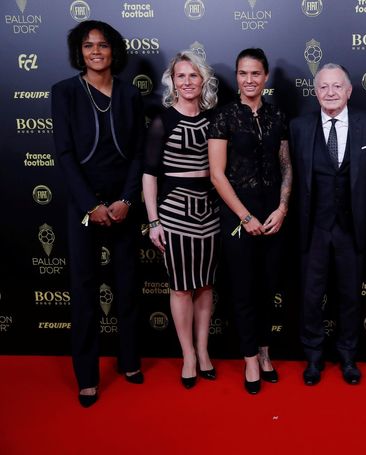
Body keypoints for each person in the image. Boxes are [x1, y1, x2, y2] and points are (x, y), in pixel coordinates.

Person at [51, 20, 145, 407]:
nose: (95, 51)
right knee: (85, 291)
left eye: (102, 45)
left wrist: (126, 199)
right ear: (80, 51)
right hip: (84, 204)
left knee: (127, 287)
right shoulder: (64, 93)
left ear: (113, 51)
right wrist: (91, 204)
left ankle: (130, 360)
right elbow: (65, 154)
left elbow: (139, 152)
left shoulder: (129, 94)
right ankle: (87, 376)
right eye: (88, 45)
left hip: (123, 203)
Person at [290, 63, 366, 386]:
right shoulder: (299, 127)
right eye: (323, 87)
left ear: (349, 91)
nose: (330, 93)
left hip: (352, 228)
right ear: (315, 92)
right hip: (313, 227)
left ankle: (348, 356)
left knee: (350, 297)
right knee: (311, 296)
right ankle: (314, 359)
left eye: (336, 87)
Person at [208, 48, 291, 395]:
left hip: (273, 213)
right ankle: (249, 359)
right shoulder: (224, 117)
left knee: (268, 288)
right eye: (243, 73)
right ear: (237, 77)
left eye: (256, 73)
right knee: (242, 290)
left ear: (266, 76)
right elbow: (216, 174)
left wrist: (283, 208)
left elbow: (286, 165)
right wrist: (244, 216)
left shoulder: (277, 117)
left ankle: (265, 351)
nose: (249, 79)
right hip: (237, 214)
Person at [142, 50, 220, 389]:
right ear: (172, 82)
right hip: (173, 211)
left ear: (203, 80)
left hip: (211, 212)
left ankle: (203, 351)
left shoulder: (215, 118)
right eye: (180, 76)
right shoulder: (163, 120)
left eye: (193, 75)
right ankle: (187, 354)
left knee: (205, 285)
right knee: (180, 286)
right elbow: (148, 174)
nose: (187, 82)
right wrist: (153, 222)